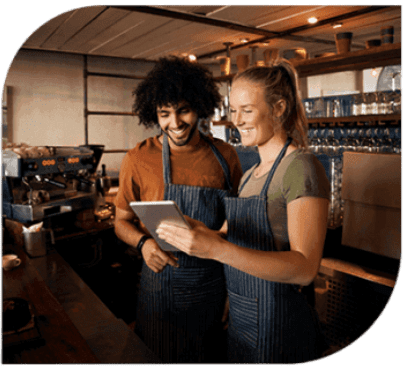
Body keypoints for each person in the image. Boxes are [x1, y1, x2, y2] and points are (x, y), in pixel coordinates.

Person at [156, 59, 330, 364]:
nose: (236, 120)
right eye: (233, 110)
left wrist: (217, 249)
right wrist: (202, 232)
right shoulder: (251, 173)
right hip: (242, 318)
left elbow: (304, 269)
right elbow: (235, 235)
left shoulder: (301, 167)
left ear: (278, 108)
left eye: (246, 110)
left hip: (282, 325)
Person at [114, 56, 243, 363]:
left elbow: (237, 227)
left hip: (212, 287)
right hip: (159, 291)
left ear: (199, 105)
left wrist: (233, 296)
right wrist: (144, 244)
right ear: (153, 114)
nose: (175, 123)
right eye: (164, 113)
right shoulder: (137, 158)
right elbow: (121, 222)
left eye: (183, 110)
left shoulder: (226, 157)